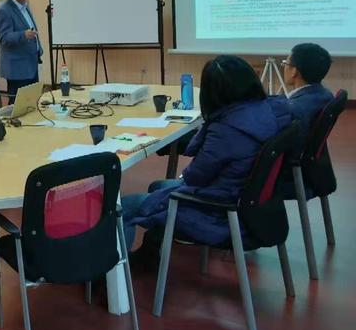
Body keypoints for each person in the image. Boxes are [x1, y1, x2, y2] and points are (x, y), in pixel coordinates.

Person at [121, 55, 292, 252]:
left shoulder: (226, 130)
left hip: (222, 214)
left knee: (124, 207)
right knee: (158, 187)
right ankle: (153, 253)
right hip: (252, 206)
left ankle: (120, 272)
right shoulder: (275, 110)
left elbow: (195, 177)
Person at [280, 42, 334, 198]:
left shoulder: (295, 109)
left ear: (294, 71)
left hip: (288, 177)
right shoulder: (325, 95)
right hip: (313, 171)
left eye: (285, 63)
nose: (284, 67)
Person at [0, 0, 42, 104]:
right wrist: (24, 35)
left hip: (30, 65)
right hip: (17, 68)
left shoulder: (24, 7)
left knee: (31, 103)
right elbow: (4, 38)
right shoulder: (4, 10)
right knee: (18, 105)